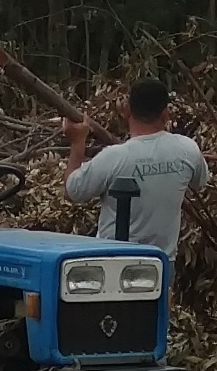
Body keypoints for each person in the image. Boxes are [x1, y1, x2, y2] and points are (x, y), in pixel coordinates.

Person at [61, 79, 206, 263]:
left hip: (112, 263)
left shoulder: (113, 158)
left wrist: (77, 142)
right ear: (166, 114)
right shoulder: (188, 150)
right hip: (161, 265)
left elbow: (72, 191)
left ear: (127, 110)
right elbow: (199, 182)